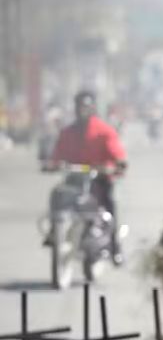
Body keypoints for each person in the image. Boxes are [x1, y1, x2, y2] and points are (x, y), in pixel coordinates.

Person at [47, 90, 128, 265]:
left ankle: (115, 247)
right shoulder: (67, 133)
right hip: (74, 180)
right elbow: (57, 155)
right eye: (80, 107)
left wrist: (116, 165)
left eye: (86, 106)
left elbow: (117, 154)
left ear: (92, 108)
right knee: (57, 194)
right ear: (75, 108)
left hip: (98, 180)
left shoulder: (104, 131)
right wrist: (52, 164)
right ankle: (54, 231)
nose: (82, 110)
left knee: (109, 207)